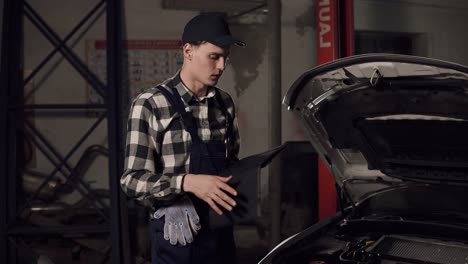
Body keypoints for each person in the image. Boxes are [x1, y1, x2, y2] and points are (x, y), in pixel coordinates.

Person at [120, 13, 245, 264]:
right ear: (188, 51)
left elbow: (231, 162)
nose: (221, 66)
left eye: (225, 58)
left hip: (220, 233)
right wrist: (185, 184)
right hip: (176, 237)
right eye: (214, 57)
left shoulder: (224, 104)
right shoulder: (150, 105)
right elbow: (131, 181)